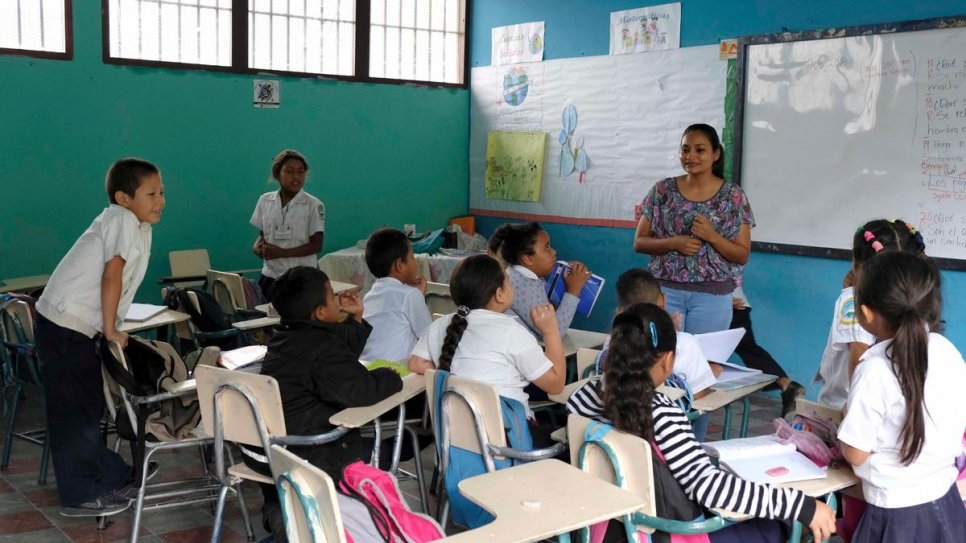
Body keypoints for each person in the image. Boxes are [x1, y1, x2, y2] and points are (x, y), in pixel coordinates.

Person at [567, 304, 837, 542]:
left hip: (611, 528)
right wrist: (800, 505)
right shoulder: (662, 414)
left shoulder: (580, 400)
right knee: (781, 523)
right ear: (668, 360)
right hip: (670, 533)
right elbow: (709, 488)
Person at [35, 158, 165, 517]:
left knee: (87, 406)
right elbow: (113, 274)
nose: (160, 200)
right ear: (123, 198)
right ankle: (80, 495)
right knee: (76, 412)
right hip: (66, 325)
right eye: (151, 193)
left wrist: (108, 328)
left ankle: (111, 473)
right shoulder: (122, 219)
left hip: (73, 326)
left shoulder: (136, 224)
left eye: (162, 192)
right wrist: (110, 330)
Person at [242, 266, 403, 540]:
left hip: (272, 452)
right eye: (332, 295)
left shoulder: (285, 338)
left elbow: (334, 359)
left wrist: (356, 318)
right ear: (319, 312)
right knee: (391, 446)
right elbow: (362, 390)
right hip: (311, 453)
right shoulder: (320, 350)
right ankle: (292, 517)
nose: (337, 298)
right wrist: (391, 375)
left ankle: (278, 508)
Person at [839, 251, 966, 542]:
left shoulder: (874, 368)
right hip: (947, 503)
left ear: (866, 314)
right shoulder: (946, 349)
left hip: (896, 516)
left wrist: (846, 421)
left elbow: (856, 453)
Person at [407, 254, 566, 442]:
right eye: (507, 280)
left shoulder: (439, 325)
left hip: (457, 441)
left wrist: (455, 372)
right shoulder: (510, 331)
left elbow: (416, 363)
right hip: (509, 442)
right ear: (499, 294)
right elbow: (555, 385)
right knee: (567, 439)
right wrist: (551, 332)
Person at [633, 124, 754, 335]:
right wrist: (673, 243)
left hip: (712, 296)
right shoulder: (663, 190)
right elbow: (639, 242)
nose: (691, 156)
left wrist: (713, 237)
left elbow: (742, 254)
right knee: (663, 358)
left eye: (700, 150)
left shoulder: (733, 196)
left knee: (702, 361)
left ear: (715, 154)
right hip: (665, 292)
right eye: (685, 149)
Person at [575, 268, 717, 441]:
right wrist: (711, 374)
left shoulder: (613, 340)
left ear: (620, 308)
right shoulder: (667, 418)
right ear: (662, 301)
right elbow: (699, 396)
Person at [815, 218, 926, 409]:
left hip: (847, 408)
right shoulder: (918, 295)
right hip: (888, 405)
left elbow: (859, 352)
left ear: (856, 264)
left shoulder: (855, 298)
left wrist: (856, 406)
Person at [489, 222, 591, 339]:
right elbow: (555, 333)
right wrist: (573, 291)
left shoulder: (523, 277)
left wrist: (565, 285)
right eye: (547, 248)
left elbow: (549, 314)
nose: (554, 252)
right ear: (528, 259)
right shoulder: (524, 286)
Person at [250, 149, 324, 298]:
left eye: (300, 172)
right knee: (269, 320)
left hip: (300, 280)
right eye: (289, 172)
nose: (296, 177)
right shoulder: (265, 200)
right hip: (270, 276)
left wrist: (283, 253)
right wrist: (258, 247)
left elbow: (317, 245)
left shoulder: (313, 205)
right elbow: (263, 236)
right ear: (277, 173)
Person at [730, 285, 805, 417]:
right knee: (747, 347)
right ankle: (787, 386)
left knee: (744, 347)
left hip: (729, 303)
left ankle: (788, 386)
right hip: (731, 302)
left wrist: (723, 300)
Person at [360, 228, 432, 362]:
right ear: (400, 265)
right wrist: (417, 296)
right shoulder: (410, 295)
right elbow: (428, 337)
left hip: (367, 368)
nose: (414, 261)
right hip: (397, 374)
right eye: (412, 257)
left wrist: (418, 296)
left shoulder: (369, 296)